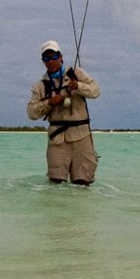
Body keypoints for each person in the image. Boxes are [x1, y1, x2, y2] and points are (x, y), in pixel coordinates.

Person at [26, 40, 100, 184]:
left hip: (81, 136)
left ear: (61, 57)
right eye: (47, 59)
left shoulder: (77, 74)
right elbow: (31, 113)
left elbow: (96, 91)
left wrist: (78, 86)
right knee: (55, 183)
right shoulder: (40, 86)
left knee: (83, 182)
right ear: (43, 61)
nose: (51, 61)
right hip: (57, 139)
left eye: (54, 57)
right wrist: (49, 103)